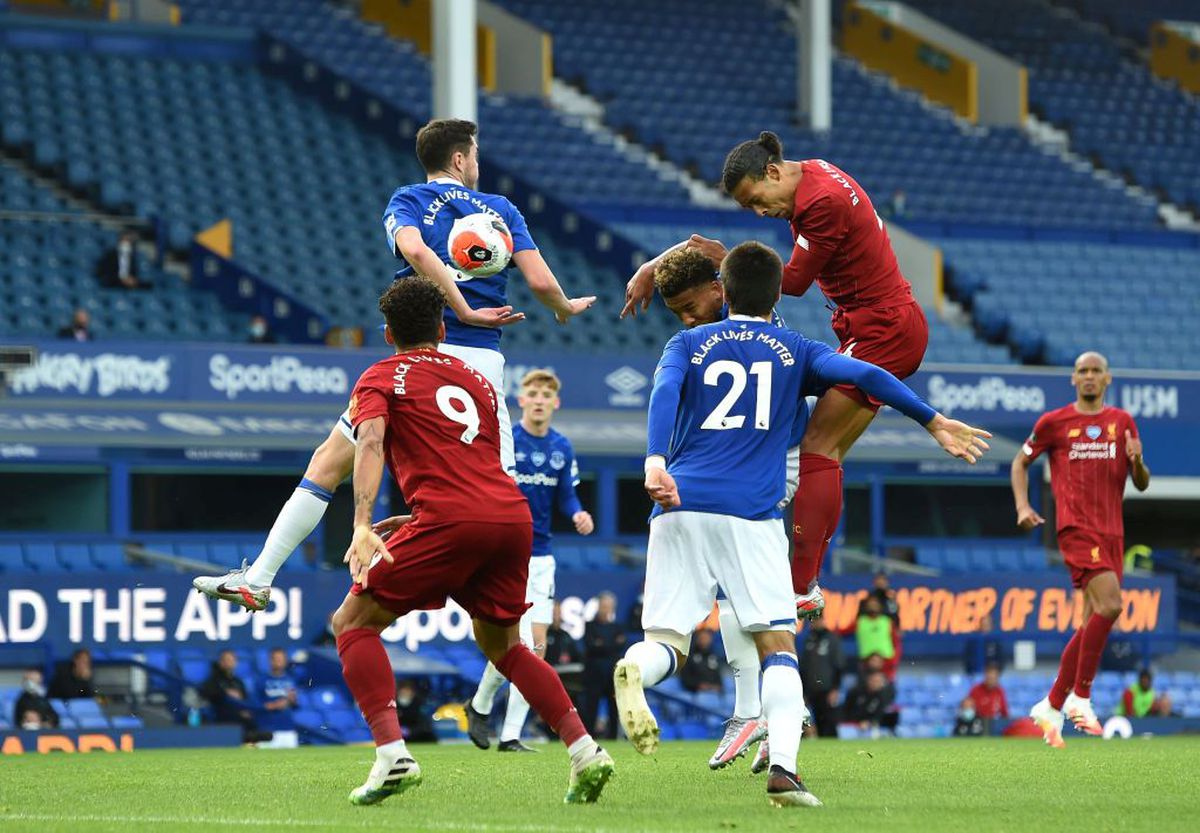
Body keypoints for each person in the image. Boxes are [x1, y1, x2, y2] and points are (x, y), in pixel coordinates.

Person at [614, 241, 989, 808]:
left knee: (665, 643)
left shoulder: (686, 342)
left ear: (724, 290)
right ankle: (785, 770)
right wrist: (931, 419)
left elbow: (665, 392)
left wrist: (654, 460)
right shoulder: (795, 348)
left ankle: (634, 672)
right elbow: (868, 373)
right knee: (778, 646)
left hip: (677, 505)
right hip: (751, 513)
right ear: (776, 292)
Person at [194, 117, 595, 611]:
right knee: (502, 493)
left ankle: (259, 575)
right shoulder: (499, 209)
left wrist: (453, 304)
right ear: (459, 159)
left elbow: (413, 249)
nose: (476, 162)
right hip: (479, 370)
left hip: (419, 362)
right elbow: (538, 283)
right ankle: (516, 620)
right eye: (474, 154)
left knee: (328, 462)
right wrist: (562, 307)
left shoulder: (408, 199)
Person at [623, 132, 930, 627]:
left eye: (755, 201)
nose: (759, 213)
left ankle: (800, 586)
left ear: (771, 172)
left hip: (884, 328)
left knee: (818, 448)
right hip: (873, 324)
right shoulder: (809, 176)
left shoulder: (823, 203)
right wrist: (655, 262)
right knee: (822, 451)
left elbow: (787, 282)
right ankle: (797, 587)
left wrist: (931, 421)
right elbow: (731, 264)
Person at [331, 277, 612, 806]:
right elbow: (468, 464)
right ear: (442, 328)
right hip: (509, 518)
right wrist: (418, 517)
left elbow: (369, 441)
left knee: (351, 623)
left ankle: (392, 755)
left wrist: (363, 521)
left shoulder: (380, 375)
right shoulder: (476, 380)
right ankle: (584, 750)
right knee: (505, 646)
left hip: (453, 520)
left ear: (388, 332)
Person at [1016, 351, 1150, 747]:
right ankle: (1081, 697)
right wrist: (1024, 505)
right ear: (1073, 379)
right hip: (1077, 529)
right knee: (1111, 606)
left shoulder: (1121, 422)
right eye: (1082, 371)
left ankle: (1051, 704)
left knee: (1091, 621)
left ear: (1107, 378)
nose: (1089, 377)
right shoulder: (1054, 424)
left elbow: (1140, 483)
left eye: (1096, 371)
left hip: (1112, 534)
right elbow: (1019, 463)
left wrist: (1138, 461)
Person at [466, 369, 595, 752]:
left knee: (536, 648)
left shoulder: (561, 448)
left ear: (555, 403)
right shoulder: (508, 442)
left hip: (541, 556)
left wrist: (578, 513)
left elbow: (567, 497)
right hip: (506, 553)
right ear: (521, 401)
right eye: (532, 393)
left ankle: (510, 735)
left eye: (545, 395)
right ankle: (481, 704)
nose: (539, 400)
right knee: (515, 643)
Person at [580, 592, 626, 739]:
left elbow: (621, 645)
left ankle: (613, 736)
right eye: (603, 606)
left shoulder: (618, 627)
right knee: (591, 707)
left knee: (614, 707)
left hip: (612, 675)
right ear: (598, 606)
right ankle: (589, 737)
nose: (605, 609)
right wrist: (611, 644)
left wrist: (601, 644)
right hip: (594, 675)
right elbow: (591, 646)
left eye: (608, 607)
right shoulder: (589, 626)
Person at [799, 613, 843, 738]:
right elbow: (804, 667)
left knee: (828, 722)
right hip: (811, 689)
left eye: (818, 620)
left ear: (823, 620)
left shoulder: (832, 639)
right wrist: (803, 691)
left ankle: (833, 749)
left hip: (827, 689)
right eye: (812, 621)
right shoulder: (808, 639)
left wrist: (835, 688)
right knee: (810, 720)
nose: (815, 623)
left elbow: (839, 665)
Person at [199, 650, 259, 742]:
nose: (229, 663)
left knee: (252, 722)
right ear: (220, 662)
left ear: (236, 662)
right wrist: (225, 692)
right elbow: (206, 693)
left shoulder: (238, 682)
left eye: (231, 660)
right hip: (221, 715)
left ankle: (251, 747)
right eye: (226, 660)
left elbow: (245, 700)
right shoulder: (214, 680)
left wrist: (246, 710)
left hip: (239, 716)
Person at [258, 648, 298, 738]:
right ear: (270, 660)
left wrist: (293, 701)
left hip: (288, 729)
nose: (278, 662)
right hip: (267, 729)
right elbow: (254, 705)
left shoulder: (291, 680)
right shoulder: (261, 680)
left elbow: (296, 706)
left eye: (281, 659)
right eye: (276, 659)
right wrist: (274, 705)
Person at [855, 596, 895, 676]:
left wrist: (894, 659)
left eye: (875, 604)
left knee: (886, 684)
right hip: (866, 661)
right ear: (866, 607)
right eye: (870, 604)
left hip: (886, 661)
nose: (873, 606)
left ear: (880, 606)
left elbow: (897, 640)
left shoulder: (887, 621)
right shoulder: (860, 622)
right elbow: (842, 631)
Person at [680, 629, 723, 694]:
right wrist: (698, 685)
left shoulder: (713, 656)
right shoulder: (689, 657)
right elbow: (686, 678)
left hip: (713, 692)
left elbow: (718, 677)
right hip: (694, 692)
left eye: (707, 638)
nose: (705, 641)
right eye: (702, 638)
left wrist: (717, 686)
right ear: (697, 639)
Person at [544, 602, 582, 667]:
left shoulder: (565, 635)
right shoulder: (544, 634)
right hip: (547, 671)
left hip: (564, 673)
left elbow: (576, 656)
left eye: (558, 613)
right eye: (554, 613)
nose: (556, 616)